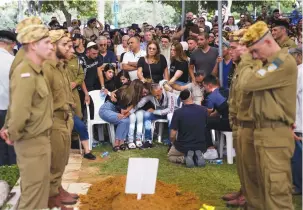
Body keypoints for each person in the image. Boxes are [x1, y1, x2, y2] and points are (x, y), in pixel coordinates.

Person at [239, 21, 297, 210]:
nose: (254, 56)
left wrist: (248, 60)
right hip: (265, 132)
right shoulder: (270, 63)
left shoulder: (281, 62)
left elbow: (247, 84)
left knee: (276, 193)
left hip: (274, 135)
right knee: (264, 188)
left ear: (267, 43)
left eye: (255, 51)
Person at [1, 17, 54, 210]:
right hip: (31, 142)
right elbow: (19, 110)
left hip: (40, 140)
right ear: (32, 45)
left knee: (39, 197)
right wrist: (12, 133)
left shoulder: (36, 70)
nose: (51, 46)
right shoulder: (25, 71)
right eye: (46, 42)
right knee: (32, 200)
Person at [43, 30, 77, 209]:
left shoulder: (62, 66)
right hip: (53, 120)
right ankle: (51, 197)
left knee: (62, 159)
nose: (70, 48)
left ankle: (58, 189)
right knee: (54, 161)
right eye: (65, 45)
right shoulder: (46, 68)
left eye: (70, 45)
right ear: (53, 44)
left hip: (65, 118)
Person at [221, 29, 247, 207]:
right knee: (242, 163)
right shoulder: (239, 66)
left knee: (248, 163)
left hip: (247, 121)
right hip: (237, 120)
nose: (229, 51)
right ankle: (243, 190)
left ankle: (247, 194)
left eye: (233, 47)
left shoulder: (250, 67)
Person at [99, 80, 145, 151]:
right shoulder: (125, 92)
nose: (142, 91)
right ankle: (117, 143)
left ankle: (121, 142)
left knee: (127, 120)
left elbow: (127, 110)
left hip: (114, 110)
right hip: (106, 109)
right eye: (141, 89)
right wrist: (111, 93)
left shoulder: (134, 96)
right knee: (123, 120)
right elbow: (123, 111)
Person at [168, 89, 208, 167]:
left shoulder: (178, 112)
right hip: (201, 145)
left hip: (184, 145)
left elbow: (172, 135)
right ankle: (197, 155)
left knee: (171, 156)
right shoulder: (203, 110)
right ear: (192, 96)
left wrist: (173, 143)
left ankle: (185, 158)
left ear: (181, 100)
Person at [134, 81, 178, 148]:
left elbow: (170, 110)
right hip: (159, 114)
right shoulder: (151, 95)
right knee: (147, 114)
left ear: (161, 89)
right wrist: (129, 112)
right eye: (155, 96)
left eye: (158, 95)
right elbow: (139, 104)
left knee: (170, 116)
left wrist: (155, 111)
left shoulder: (170, 94)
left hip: (172, 114)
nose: (156, 98)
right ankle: (148, 140)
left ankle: (172, 141)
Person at [0, 30, 17, 166]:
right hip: (9, 109)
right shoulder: (13, 61)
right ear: (10, 44)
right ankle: (12, 174)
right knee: (11, 143)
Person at [289, 47, 302, 195]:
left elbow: (290, 97)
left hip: (298, 120)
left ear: (298, 56)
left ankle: (298, 186)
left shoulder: (298, 72)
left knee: (297, 156)